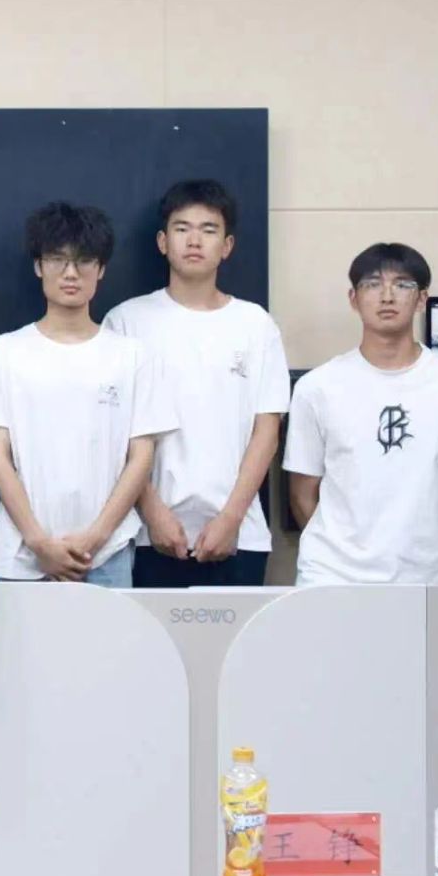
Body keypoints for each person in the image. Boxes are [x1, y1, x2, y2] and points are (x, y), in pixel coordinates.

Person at [0, 204, 174, 587]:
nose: (70, 273)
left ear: (101, 269)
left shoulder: (132, 356)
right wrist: (38, 541)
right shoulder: (0, 354)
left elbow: (141, 457)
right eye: (57, 260)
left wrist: (94, 540)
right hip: (21, 556)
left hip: (108, 554)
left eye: (83, 261)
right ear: (38, 266)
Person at [104, 181, 290, 588]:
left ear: (227, 245)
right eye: (182, 228)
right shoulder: (126, 321)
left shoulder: (255, 324)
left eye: (208, 230)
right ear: (162, 241)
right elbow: (113, 432)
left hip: (238, 535)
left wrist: (230, 519)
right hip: (146, 536)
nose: (194, 240)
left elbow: (266, 432)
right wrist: (153, 513)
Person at [285, 244, 438, 587]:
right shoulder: (318, 387)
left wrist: (436, 557)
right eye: (372, 284)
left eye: (402, 284)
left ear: (421, 300)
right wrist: (342, 556)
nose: (387, 296)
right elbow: (301, 493)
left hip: (428, 579)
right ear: (354, 299)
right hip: (332, 577)